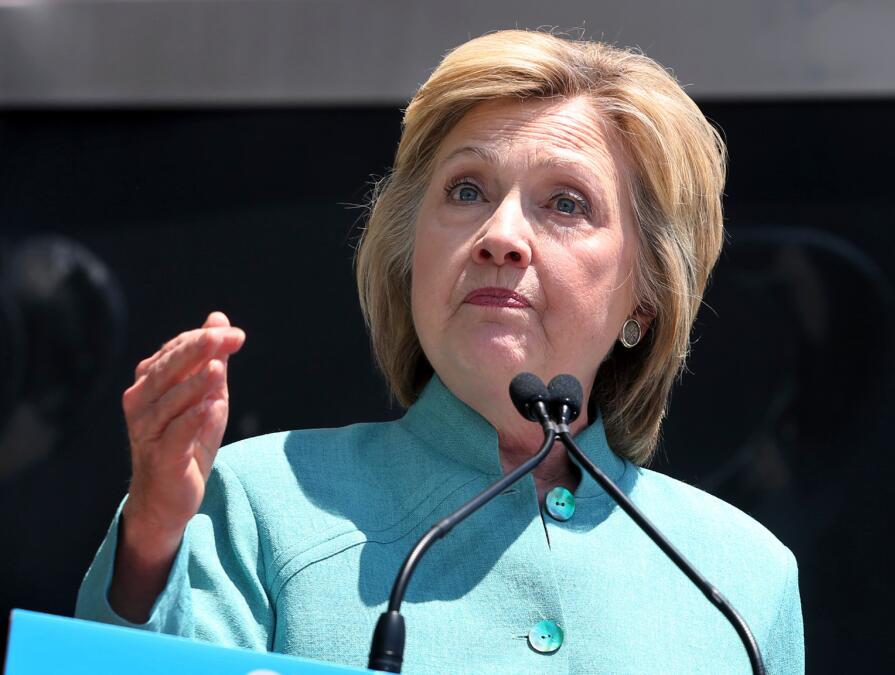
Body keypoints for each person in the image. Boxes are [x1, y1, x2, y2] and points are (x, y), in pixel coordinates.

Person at [76, 29, 805, 673]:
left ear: (644, 299)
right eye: (466, 190)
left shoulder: (742, 577)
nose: (501, 233)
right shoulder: (260, 502)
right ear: (411, 255)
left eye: (566, 203)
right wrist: (150, 544)